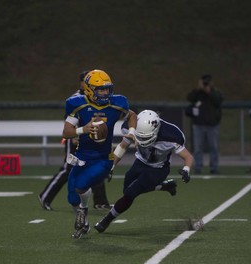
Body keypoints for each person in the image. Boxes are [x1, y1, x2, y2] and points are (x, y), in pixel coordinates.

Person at [62, 69, 137, 239]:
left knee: (81, 185)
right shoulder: (77, 104)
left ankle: (84, 210)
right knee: (72, 198)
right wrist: (83, 129)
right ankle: (84, 222)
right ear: (88, 89)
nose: (105, 93)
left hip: (103, 159)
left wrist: (132, 132)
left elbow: (132, 116)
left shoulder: (117, 103)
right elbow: (66, 132)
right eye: (100, 89)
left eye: (107, 89)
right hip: (82, 157)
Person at [94, 110, 194, 233]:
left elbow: (188, 157)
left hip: (159, 168)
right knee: (127, 189)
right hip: (140, 162)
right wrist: (111, 165)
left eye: (145, 137)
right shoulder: (131, 126)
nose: (142, 139)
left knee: (130, 193)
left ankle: (106, 220)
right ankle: (164, 186)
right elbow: (122, 147)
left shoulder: (171, 135)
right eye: (140, 136)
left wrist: (186, 169)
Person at [38, 71, 112, 211]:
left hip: (89, 137)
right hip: (75, 136)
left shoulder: (95, 97)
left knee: (96, 165)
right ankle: (45, 197)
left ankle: (100, 202)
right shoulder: (76, 98)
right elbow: (69, 120)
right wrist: (75, 135)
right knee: (68, 168)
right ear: (82, 83)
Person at [186, 74, 224, 174]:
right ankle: (198, 167)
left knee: (214, 147)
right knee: (198, 147)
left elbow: (219, 101)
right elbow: (189, 98)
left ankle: (214, 167)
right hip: (198, 124)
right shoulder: (198, 93)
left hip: (212, 124)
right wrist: (198, 89)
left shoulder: (215, 91)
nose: (206, 83)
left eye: (207, 81)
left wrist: (209, 91)